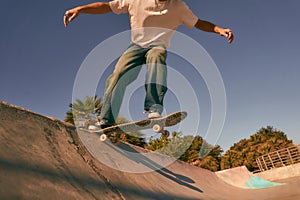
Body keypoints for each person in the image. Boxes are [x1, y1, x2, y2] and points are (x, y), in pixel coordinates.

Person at [64, 0, 234, 129]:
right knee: (118, 75)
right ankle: (106, 121)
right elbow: (107, 6)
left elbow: (199, 23)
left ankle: (154, 108)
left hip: (157, 46)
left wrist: (219, 29)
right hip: (136, 46)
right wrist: (81, 9)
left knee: (157, 55)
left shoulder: (179, 7)